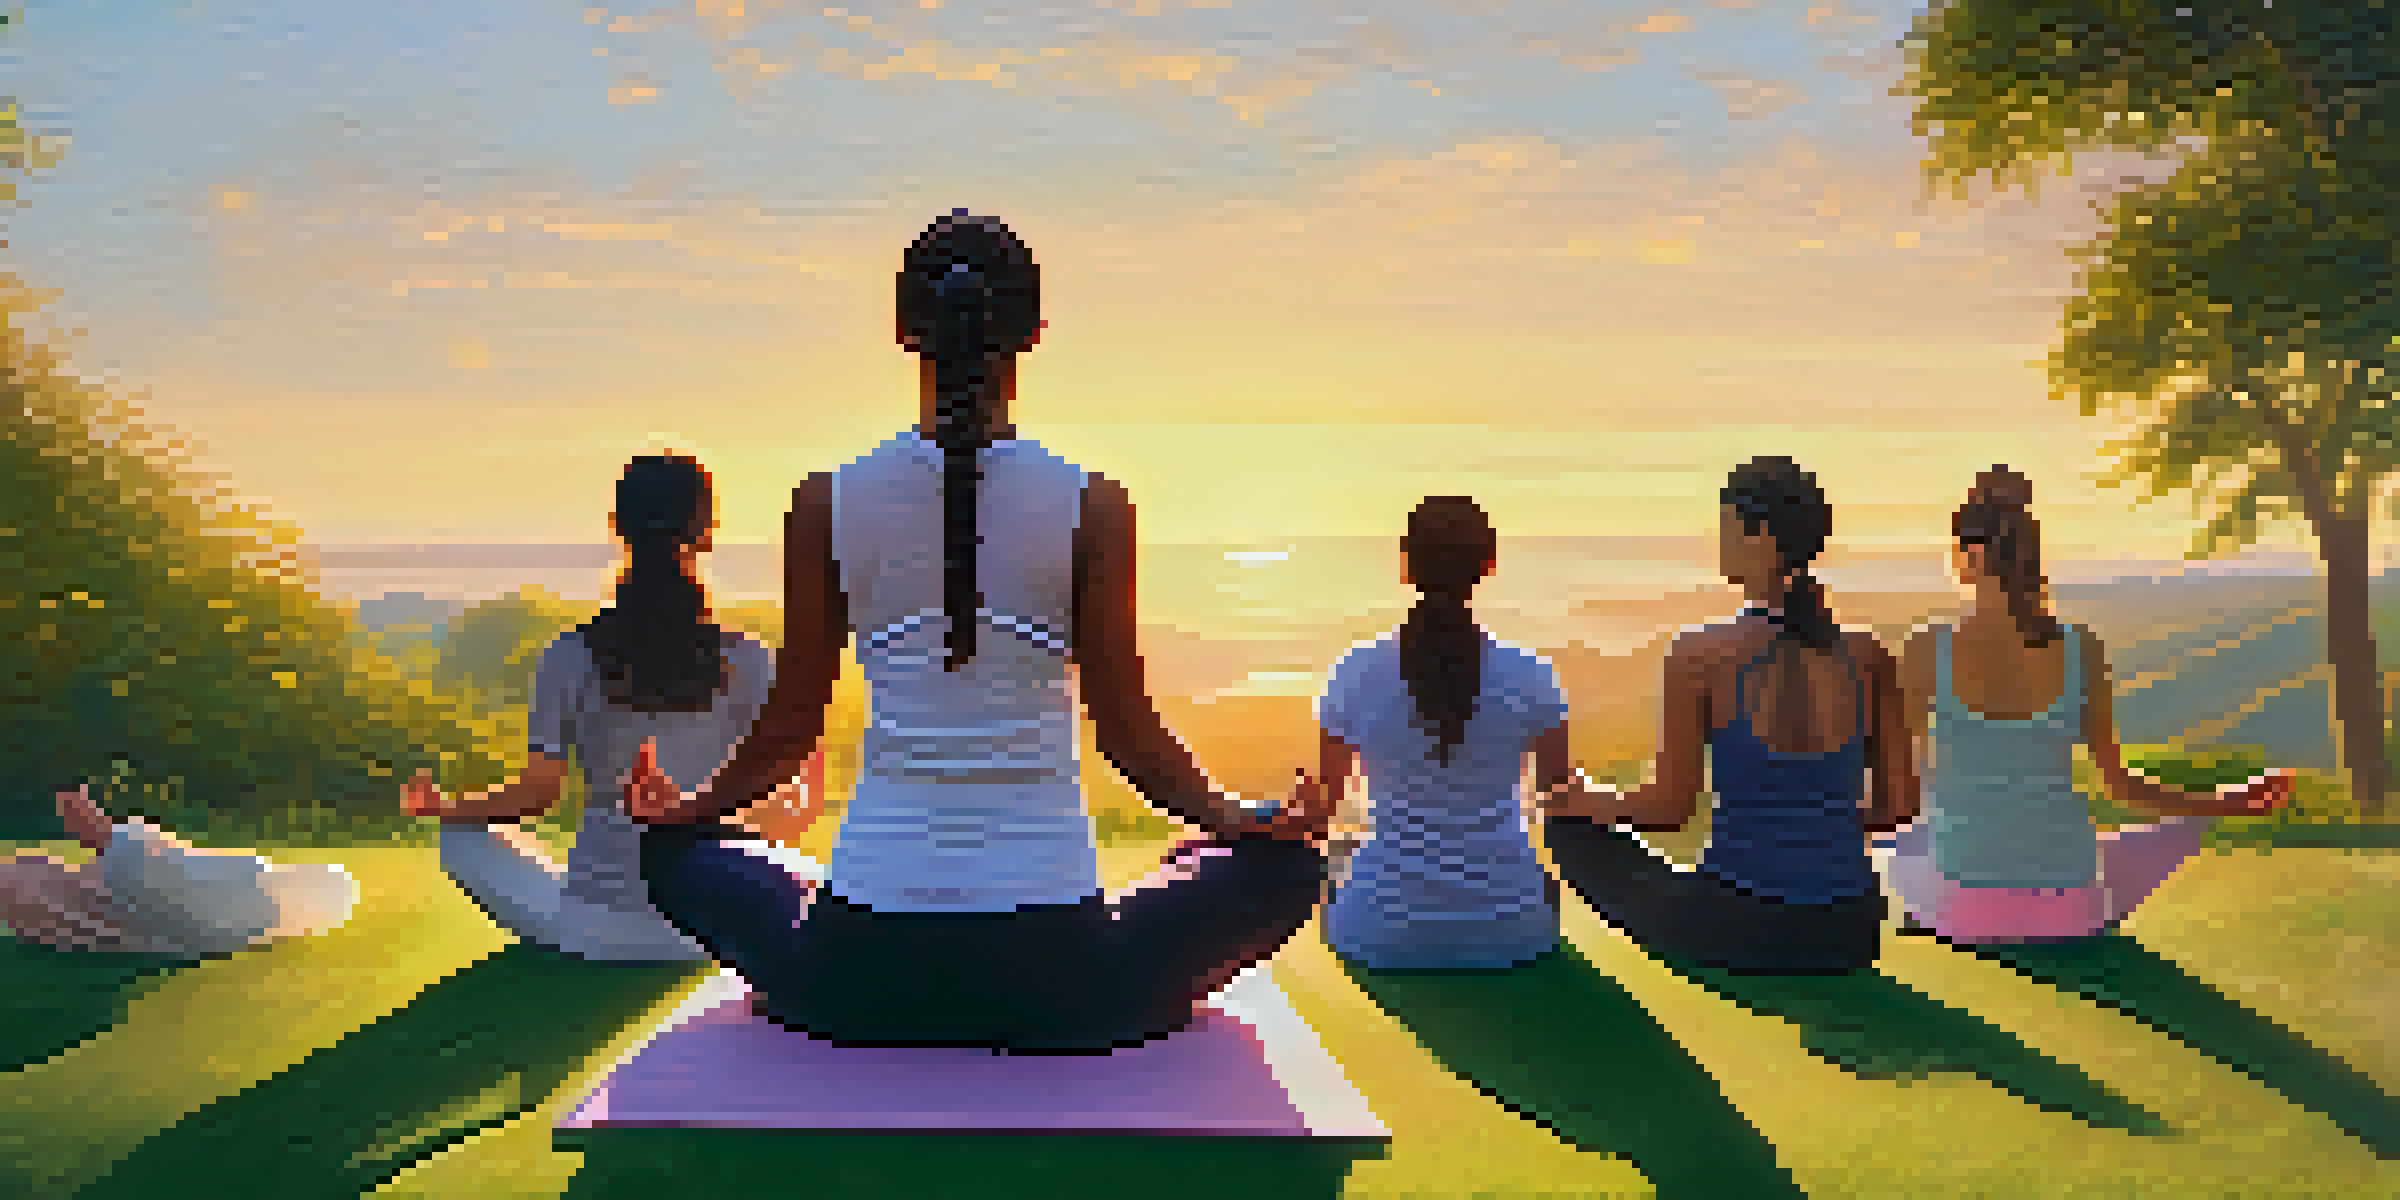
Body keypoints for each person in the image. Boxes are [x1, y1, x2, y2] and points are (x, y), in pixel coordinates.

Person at [619, 210, 1332, 1052]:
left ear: (903, 330)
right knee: (1291, 867)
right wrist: (1241, 821)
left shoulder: (825, 502)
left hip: (853, 977)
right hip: (1060, 982)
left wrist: (688, 811)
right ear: (1032, 332)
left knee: (675, 854)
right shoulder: (1093, 504)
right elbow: (1130, 738)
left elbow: (786, 735)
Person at [405, 453, 826, 963]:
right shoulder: (750, 657)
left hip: (597, 927)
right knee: (798, 847)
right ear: (707, 534)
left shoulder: (568, 654)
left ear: (617, 526)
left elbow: (538, 794)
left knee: (461, 837)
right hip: (715, 931)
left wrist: (446, 807)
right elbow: (792, 805)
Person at [1875, 466, 2292, 944]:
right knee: (2125, 851)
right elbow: (2119, 785)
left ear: (1971, 556)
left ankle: (1932, 908)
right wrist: (2226, 802)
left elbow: (1896, 781)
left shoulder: (1927, 647)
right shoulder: (2081, 648)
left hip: (1967, 907)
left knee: (1901, 846)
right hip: (2070, 902)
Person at [1538, 456, 1917, 973]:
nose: (1717, 541)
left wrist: (1586, 800)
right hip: (1849, 931)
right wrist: (1819, 828)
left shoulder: (1699, 654)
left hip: (1737, 925)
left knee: (1568, 829)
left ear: (1759, 536)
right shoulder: (1867, 656)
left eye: (1725, 527)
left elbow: (1670, 810)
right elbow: (1899, 806)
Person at [1313, 496, 1567, 971]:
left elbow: (1322, 808)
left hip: (1378, 933)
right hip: (1514, 931)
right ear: (1488, 565)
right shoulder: (1531, 673)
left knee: (1341, 855)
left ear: (1406, 566)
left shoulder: (1355, 670)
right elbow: (1560, 802)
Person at [0, 782, 356, 956]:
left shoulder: (225, 899)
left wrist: (65, 782)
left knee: (28, 883)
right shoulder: (236, 906)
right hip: (105, 902)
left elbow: (93, 831)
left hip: (95, 898)